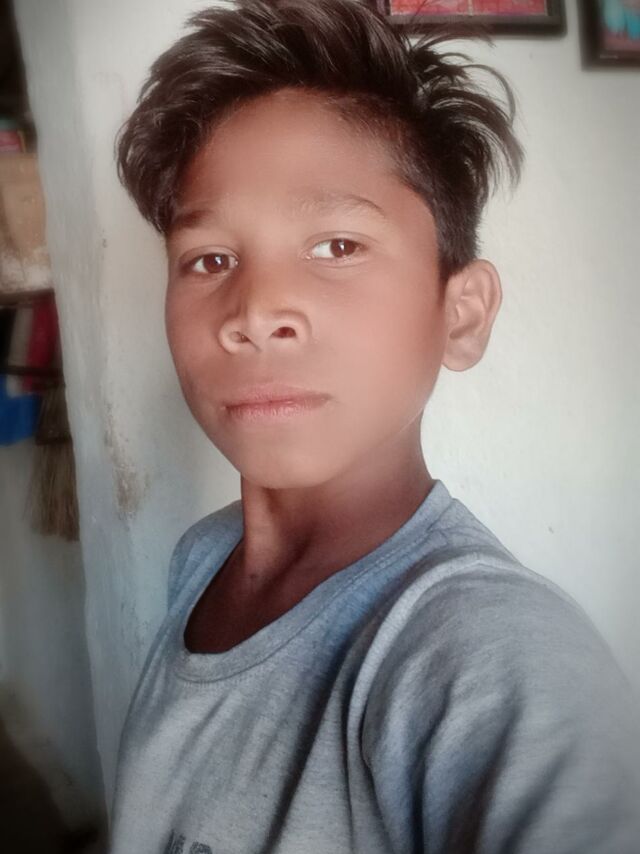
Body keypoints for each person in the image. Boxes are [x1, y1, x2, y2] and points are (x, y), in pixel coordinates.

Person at [108, 1, 640, 852]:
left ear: (461, 314)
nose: (256, 311)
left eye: (338, 246)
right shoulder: (200, 560)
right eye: (210, 259)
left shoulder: (493, 661)